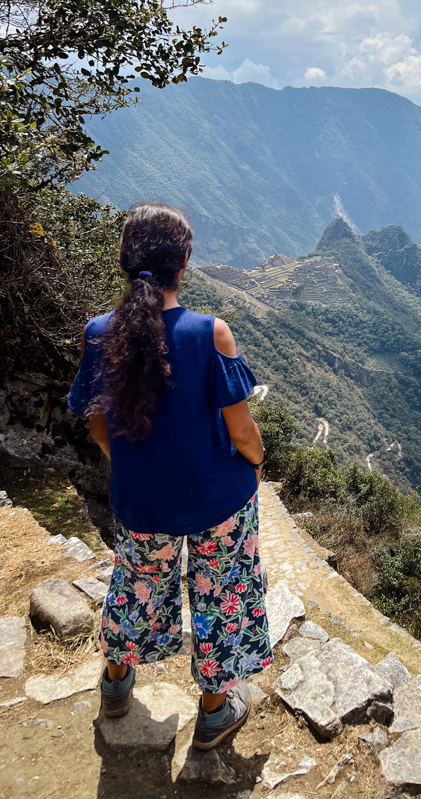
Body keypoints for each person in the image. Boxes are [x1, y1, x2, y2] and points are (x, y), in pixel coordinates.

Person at [67, 201, 272, 751]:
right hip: (215, 501)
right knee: (222, 595)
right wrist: (255, 466)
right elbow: (244, 432)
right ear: (185, 261)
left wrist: (130, 467)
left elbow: (95, 423)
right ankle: (213, 711)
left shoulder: (98, 333)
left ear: (125, 261)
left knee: (135, 585)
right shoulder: (210, 334)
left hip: (142, 501)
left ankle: (116, 683)